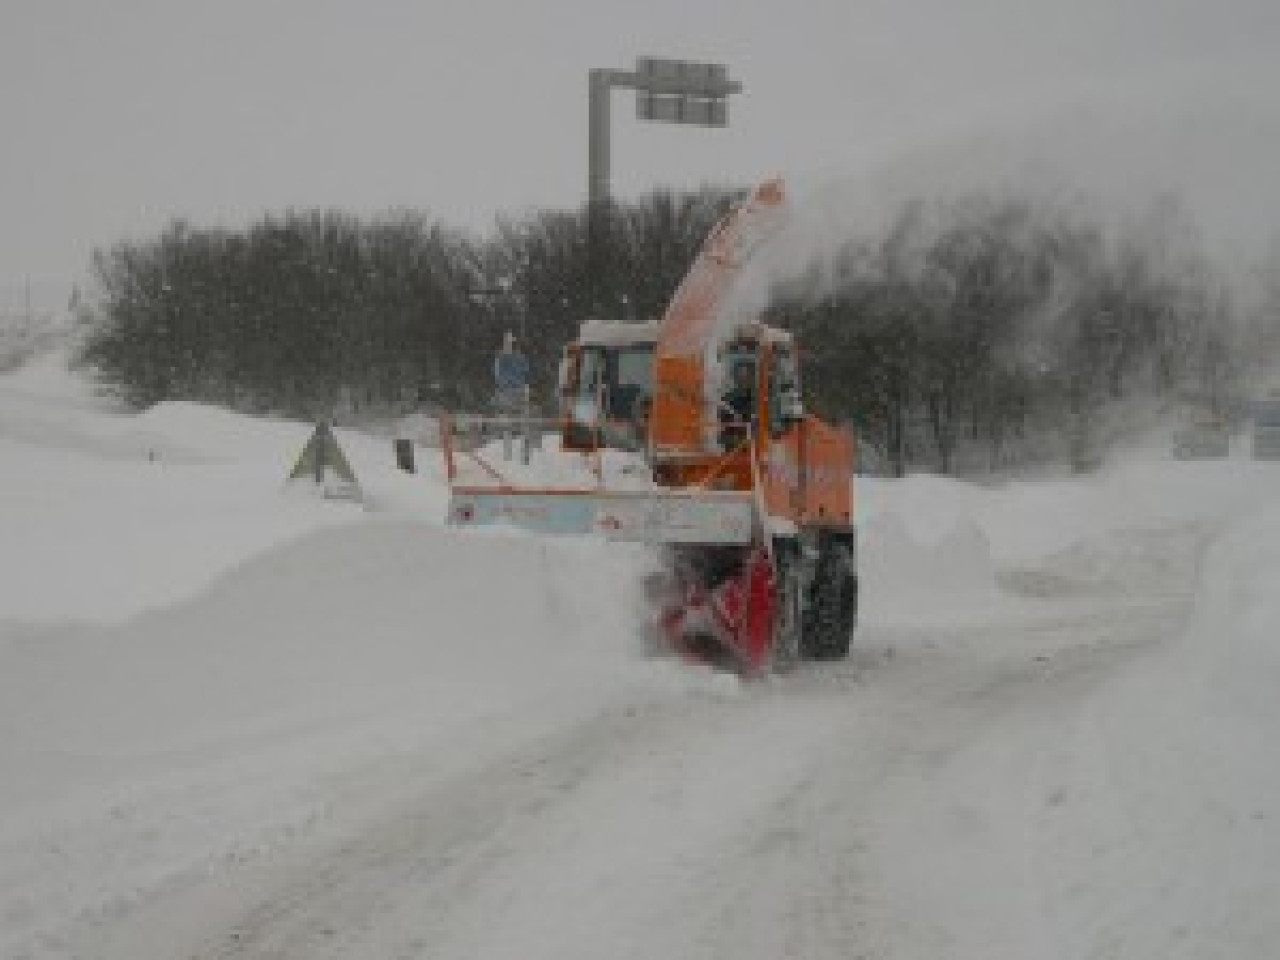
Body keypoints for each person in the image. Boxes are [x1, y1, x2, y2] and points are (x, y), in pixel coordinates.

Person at [720, 359, 755, 447]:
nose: (744, 378)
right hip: (735, 441)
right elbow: (724, 423)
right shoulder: (727, 398)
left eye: (746, 375)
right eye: (741, 375)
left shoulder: (756, 397)